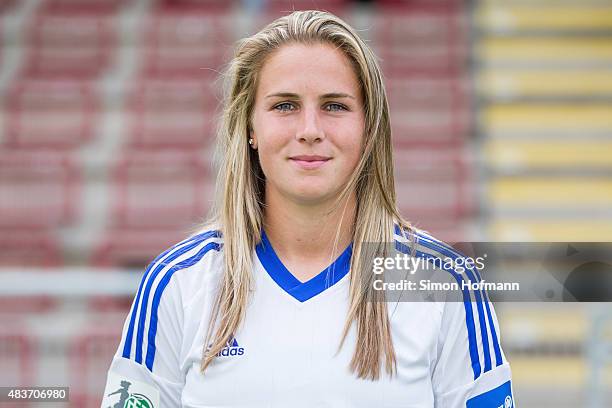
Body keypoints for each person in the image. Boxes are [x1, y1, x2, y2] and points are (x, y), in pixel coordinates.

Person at [102, 10, 514, 407]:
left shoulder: (443, 284)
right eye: (285, 106)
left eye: (335, 106)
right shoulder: (178, 283)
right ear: (250, 127)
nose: (310, 131)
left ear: (368, 128)